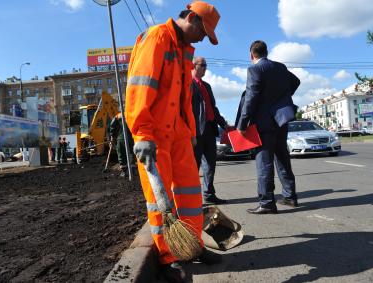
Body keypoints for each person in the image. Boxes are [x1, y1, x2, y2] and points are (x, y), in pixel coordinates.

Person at [124, 2, 222, 282]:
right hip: (154, 137)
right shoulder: (156, 38)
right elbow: (139, 87)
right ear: (191, 18)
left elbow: (182, 99)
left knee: (191, 196)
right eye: (204, 31)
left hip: (178, 135)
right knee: (159, 202)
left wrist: (190, 132)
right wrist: (141, 133)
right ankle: (168, 258)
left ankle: (192, 247)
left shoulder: (182, 51)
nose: (204, 38)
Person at [237, 40, 300, 215]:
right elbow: (296, 81)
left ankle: (266, 202)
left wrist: (242, 124)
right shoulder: (280, 67)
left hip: (263, 123)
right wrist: (283, 98)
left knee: (264, 162)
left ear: (252, 55)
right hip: (281, 120)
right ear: (266, 52)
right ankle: (290, 197)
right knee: (282, 158)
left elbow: (251, 97)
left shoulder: (255, 69)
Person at [191, 56, 230, 205]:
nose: (206, 67)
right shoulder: (187, 84)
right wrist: (189, 131)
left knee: (210, 164)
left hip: (209, 129)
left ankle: (209, 194)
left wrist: (223, 124)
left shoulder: (206, 86)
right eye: (203, 65)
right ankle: (192, 199)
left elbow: (213, 108)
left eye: (206, 65)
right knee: (194, 166)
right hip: (195, 131)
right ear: (194, 66)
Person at [109, 112, 134, 177]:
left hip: (120, 139)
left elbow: (112, 127)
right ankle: (133, 170)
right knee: (131, 154)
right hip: (132, 138)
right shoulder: (132, 113)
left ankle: (124, 172)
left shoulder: (118, 116)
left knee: (122, 155)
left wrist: (112, 137)